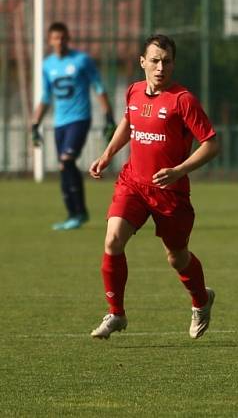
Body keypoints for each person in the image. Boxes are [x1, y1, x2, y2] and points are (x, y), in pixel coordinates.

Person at [87, 34, 219, 340]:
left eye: (167, 61)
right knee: (112, 241)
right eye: (155, 60)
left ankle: (201, 300)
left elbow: (211, 145)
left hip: (169, 193)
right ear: (142, 62)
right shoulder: (133, 91)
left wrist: (179, 170)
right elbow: (129, 123)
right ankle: (115, 313)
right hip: (132, 183)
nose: (161, 67)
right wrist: (107, 155)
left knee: (177, 256)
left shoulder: (182, 100)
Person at [31, 22, 116, 230]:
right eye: (55, 38)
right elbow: (45, 96)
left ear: (68, 38)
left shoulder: (82, 60)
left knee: (66, 159)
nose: (59, 42)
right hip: (60, 123)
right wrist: (35, 124)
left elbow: (98, 87)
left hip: (79, 119)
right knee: (64, 166)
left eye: (63, 38)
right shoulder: (48, 65)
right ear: (50, 41)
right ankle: (74, 214)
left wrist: (109, 117)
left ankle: (79, 212)